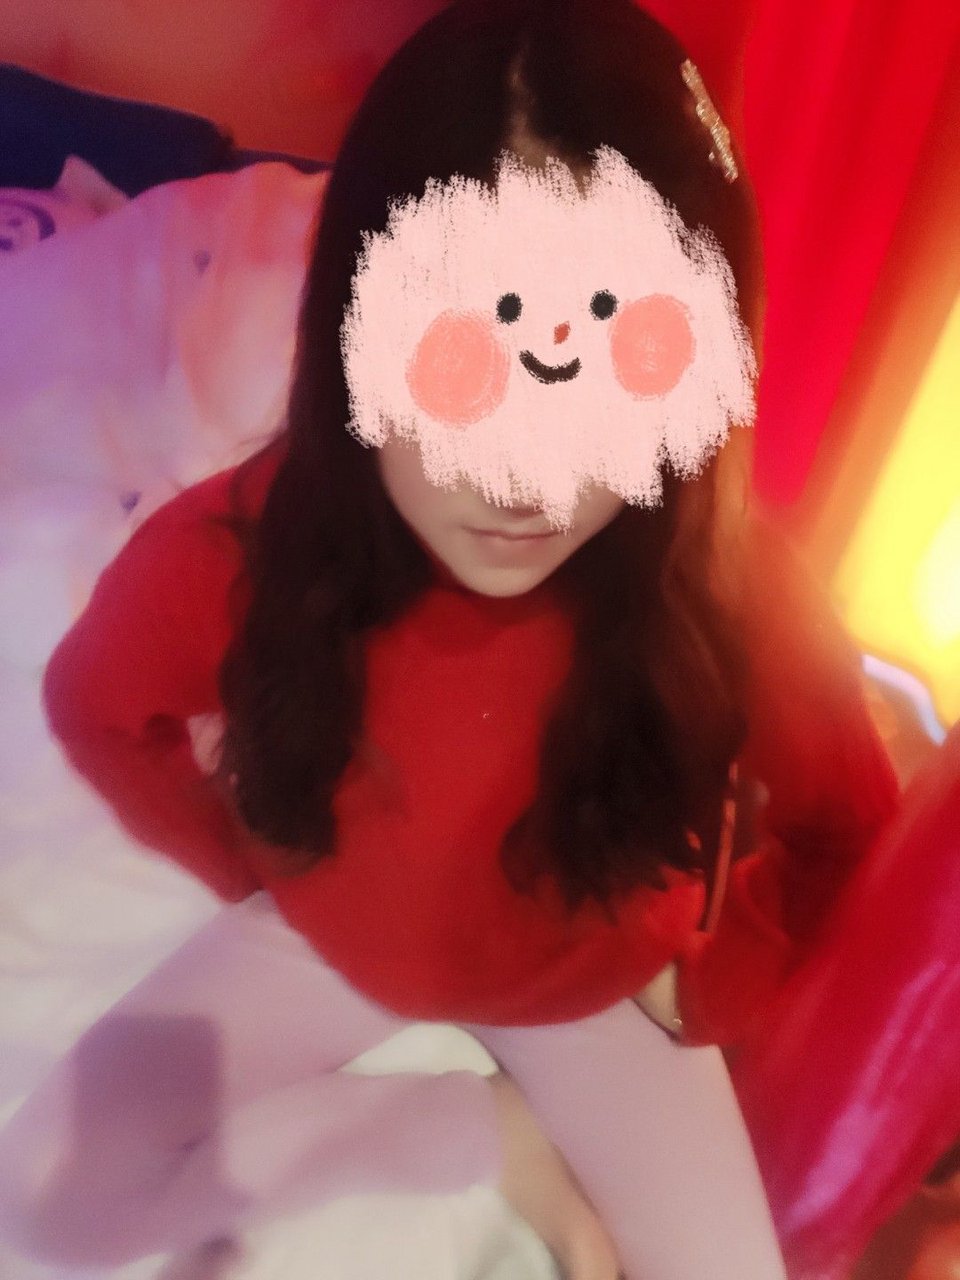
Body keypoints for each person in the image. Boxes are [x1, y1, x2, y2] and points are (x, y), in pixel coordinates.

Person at [0, 1, 898, 1277]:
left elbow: (843, 822)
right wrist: (245, 860)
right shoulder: (246, 543)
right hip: (329, 946)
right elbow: (98, 705)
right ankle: (478, 1132)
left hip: (587, 989)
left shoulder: (726, 583)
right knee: (38, 1202)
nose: (526, 476)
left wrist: (719, 982)